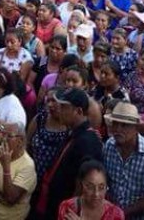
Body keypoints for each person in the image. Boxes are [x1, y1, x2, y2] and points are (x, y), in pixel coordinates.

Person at [36, 87, 104, 219]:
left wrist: (72, 211)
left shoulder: (88, 141)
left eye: (64, 107)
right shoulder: (73, 132)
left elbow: (86, 183)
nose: (59, 110)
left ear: (78, 111)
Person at [0, 122, 37, 220]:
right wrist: (2, 200)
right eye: (3, 134)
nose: (3, 139)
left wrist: (6, 168)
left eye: (8, 136)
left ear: (20, 140)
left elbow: (10, 197)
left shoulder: (28, 166)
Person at [102, 101, 144, 218]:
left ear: (136, 128)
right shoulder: (109, 146)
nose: (118, 129)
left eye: (125, 125)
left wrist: (121, 214)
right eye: (115, 123)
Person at [57, 160, 125, 220]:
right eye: (90, 187)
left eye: (101, 187)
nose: (96, 194)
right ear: (81, 185)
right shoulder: (67, 207)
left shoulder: (116, 214)